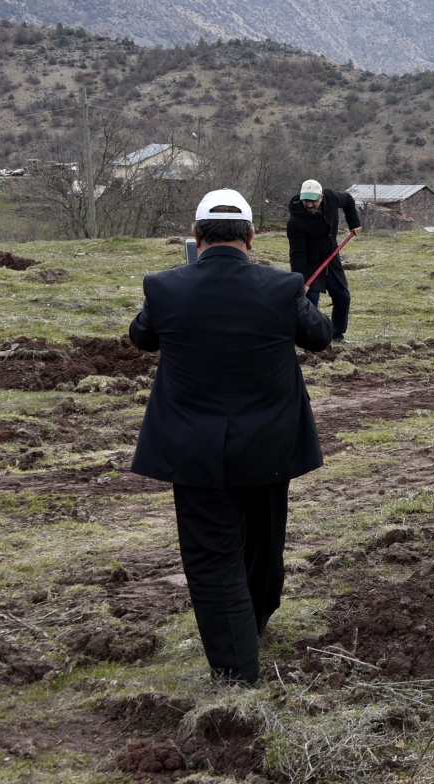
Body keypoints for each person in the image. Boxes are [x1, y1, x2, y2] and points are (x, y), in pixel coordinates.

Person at [129, 188, 332, 685]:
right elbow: (321, 336)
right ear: (251, 236)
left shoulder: (164, 288)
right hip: (270, 446)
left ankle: (237, 669)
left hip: (192, 450)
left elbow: (141, 337)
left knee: (212, 558)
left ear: (196, 237)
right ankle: (250, 632)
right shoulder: (282, 287)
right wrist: (298, 300)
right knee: (264, 546)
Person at [287, 179, 361, 342]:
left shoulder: (332, 198)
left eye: (313, 201)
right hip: (310, 263)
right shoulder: (295, 221)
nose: (309, 204)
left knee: (343, 296)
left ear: (321, 197)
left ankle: (336, 335)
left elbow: (348, 200)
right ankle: (309, 339)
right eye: (306, 200)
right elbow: (297, 254)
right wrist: (301, 280)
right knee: (310, 300)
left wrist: (354, 222)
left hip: (331, 257)